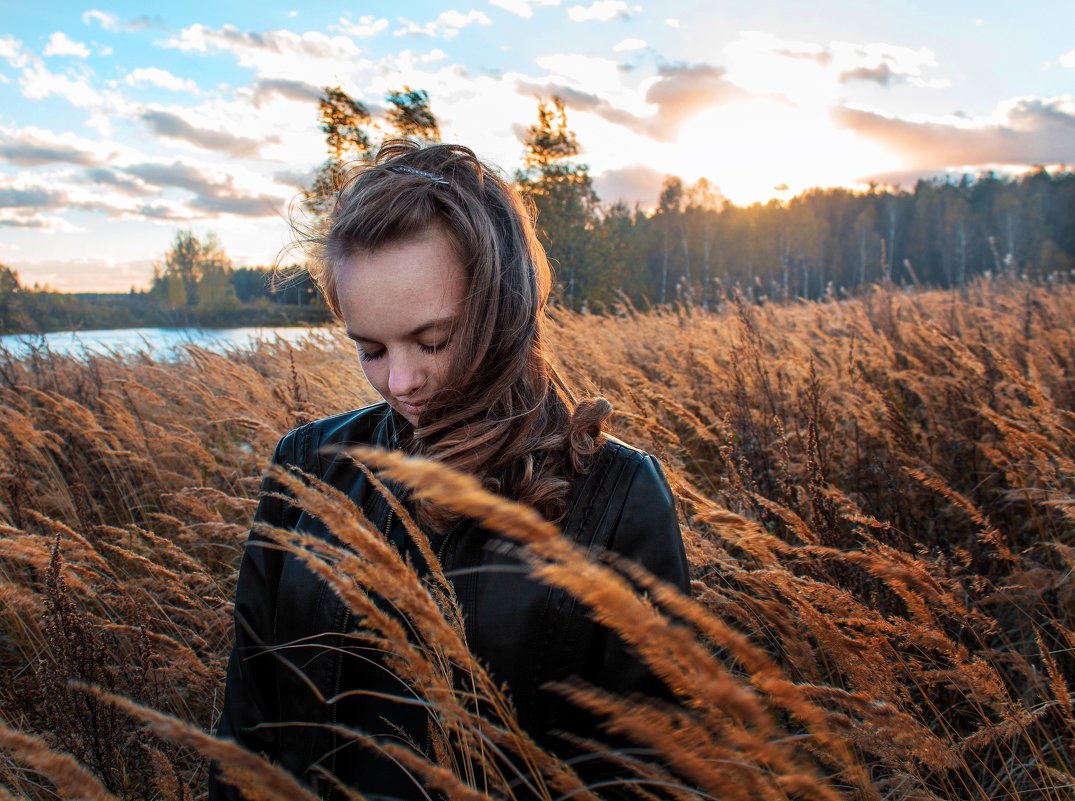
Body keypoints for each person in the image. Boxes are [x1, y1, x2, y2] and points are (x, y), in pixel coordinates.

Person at [210, 140, 690, 800]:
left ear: (503, 309)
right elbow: (248, 725)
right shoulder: (307, 466)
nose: (400, 382)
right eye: (370, 349)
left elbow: (651, 773)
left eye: (433, 340)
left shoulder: (616, 498)